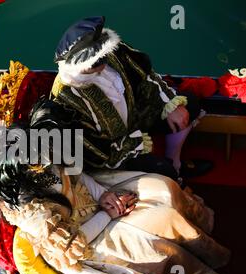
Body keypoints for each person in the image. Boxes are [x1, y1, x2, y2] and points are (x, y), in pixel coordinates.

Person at [0, 126, 230, 274]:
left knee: (163, 188)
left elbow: (75, 175)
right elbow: (75, 243)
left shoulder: (38, 158)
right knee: (156, 235)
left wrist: (105, 195)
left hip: (94, 198)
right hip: (84, 242)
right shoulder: (34, 215)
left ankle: (206, 244)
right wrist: (109, 213)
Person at [50, 16, 212, 181]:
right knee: (163, 171)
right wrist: (133, 144)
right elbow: (91, 152)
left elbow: (146, 75)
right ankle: (171, 171)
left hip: (135, 117)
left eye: (105, 55)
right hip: (114, 151)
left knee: (189, 104)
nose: (105, 63)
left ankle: (176, 164)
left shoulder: (112, 53)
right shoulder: (65, 97)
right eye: (98, 60)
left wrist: (169, 103)